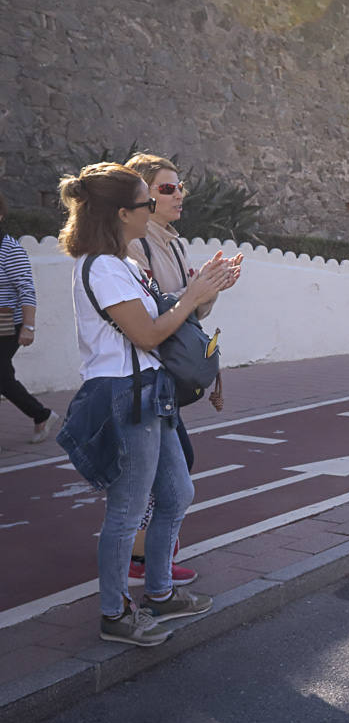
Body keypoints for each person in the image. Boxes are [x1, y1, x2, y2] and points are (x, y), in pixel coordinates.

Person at [55, 162, 239, 646]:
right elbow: (149, 332)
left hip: (150, 392)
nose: (152, 208)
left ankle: (160, 592)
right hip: (124, 395)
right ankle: (115, 613)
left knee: (177, 493)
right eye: (144, 202)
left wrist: (204, 292)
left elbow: (165, 318)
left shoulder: (126, 266)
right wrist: (192, 295)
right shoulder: (100, 267)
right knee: (127, 509)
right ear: (121, 213)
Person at [123, 153, 241, 587]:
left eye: (179, 188)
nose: (178, 196)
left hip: (168, 369)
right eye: (166, 188)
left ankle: (149, 559)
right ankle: (141, 560)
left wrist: (212, 286)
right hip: (144, 370)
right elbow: (149, 310)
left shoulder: (172, 241)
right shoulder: (134, 244)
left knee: (171, 467)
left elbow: (192, 311)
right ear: (142, 196)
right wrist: (194, 291)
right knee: (162, 473)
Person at [1, 191, 62, 450]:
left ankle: (42, 415)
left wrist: (28, 326)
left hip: (6, 325)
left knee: (1, 376)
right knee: (4, 376)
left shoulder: (10, 249)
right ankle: (41, 415)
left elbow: (26, 289)